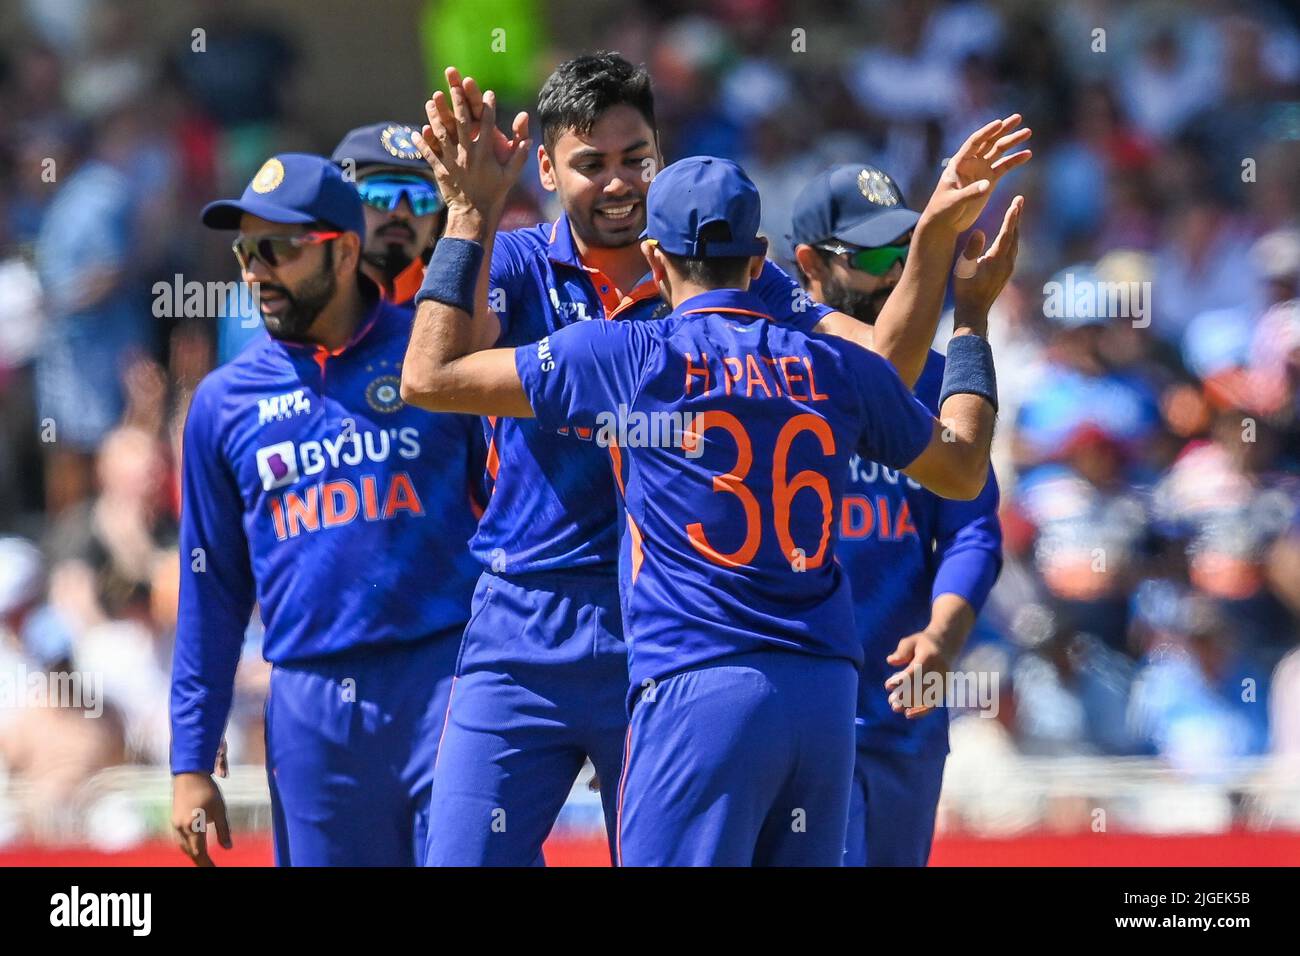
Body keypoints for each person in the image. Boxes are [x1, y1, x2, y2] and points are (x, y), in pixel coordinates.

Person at [401, 55, 1028, 865]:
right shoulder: (518, 260)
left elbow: (880, 364)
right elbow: (433, 372)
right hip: (530, 619)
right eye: (592, 165)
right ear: (548, 170)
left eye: (638, 158)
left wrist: (935, 245)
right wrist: (467, 214)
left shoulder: (743, 281)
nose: (621, 182)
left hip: (671, 632)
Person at [169, 153, 484, 866]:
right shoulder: (222, 404)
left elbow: (511, 516)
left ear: (343, 251)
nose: (255, 273)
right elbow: (211, 591)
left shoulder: (430, 356)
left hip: (450, 681)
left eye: (277, 250)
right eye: (245, 251)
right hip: (310, 713)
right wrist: (190, 760)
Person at [790, 163, 1012, 865]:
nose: (894, 277)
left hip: (903, 713)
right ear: (808, 265)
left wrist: (943, 636)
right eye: (873, 258)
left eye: (907, 253)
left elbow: (972, 527)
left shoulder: (943, 378)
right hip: (800, 712)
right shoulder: (771, 373)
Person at [331, 121, 447, 304]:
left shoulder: (467, 311)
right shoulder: (302, 309)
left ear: (438, 222)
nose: (401, 213)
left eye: (423, 199)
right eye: (379, 196)